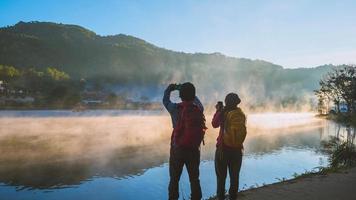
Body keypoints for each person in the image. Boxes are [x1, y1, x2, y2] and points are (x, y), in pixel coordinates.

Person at [163, 82, 206, 200]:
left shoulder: (175, 109)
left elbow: (165, 101)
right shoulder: (199, 109)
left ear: (180, 96)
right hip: (193, 150)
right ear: (193, 96)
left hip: (177, 149)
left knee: (174, 180)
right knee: (194, 179)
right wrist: (190, 94)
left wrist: (170, 89)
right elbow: (197, 101)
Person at [212, 93, 247, 200]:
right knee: (234, 177)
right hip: (237, 150)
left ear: (226, 102)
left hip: (223, 150)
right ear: (237, 102)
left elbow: (214, 124)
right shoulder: (240, 113)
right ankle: (233, 197)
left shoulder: (224, 113)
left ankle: (221, 198)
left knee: (221, 178)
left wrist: (218, 110)